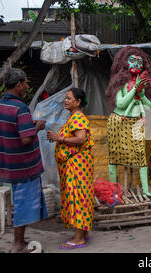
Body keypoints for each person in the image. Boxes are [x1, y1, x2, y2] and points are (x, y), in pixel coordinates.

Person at [0, 68, 47, 253]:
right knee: (24, 204)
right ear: (18, 84)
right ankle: (17, 243)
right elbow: (25, 139)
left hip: (9, 163)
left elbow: (12, 129)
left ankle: (20, 240)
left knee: (19, 202)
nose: (27, 86)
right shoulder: (20, 107)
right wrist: (37, 126)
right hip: (23, 165)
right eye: (25, 83)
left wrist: (29, 126)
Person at [105, 46, 151, 197]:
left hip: (137, 123)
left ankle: (145, 190)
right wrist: (135, 89)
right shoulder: (121, 82)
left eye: (140, 62)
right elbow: (120, 104)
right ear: (124, 63)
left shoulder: (144, 84)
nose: (136, 64)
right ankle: (114, 190)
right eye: (132, 60)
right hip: (119, 121)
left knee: (141, 157)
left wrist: (141, 92)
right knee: (114, 157)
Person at [47, 88, 95, 249]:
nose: (65, 101)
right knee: (78, 195)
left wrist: (59, 138)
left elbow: (81, 139)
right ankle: (83, 232)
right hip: (75, 164)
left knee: (78, 197)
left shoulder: (78, 118)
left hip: (77, 165)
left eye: (69, 98)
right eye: (65, 98)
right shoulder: (73, 117)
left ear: (78, 102)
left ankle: (79, 237)